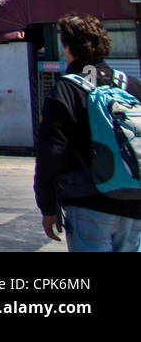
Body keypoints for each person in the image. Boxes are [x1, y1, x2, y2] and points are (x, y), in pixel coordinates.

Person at [35, 13, 141, 252]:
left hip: (88, 201)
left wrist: (48, 206)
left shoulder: (66, 89)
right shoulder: (132, 86)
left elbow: (52, 152)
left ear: (67, 47)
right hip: (134, 202)